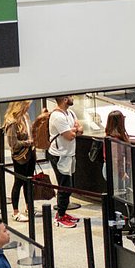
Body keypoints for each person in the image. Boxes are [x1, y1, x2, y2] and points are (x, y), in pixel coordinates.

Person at [46, 95, 83, 227]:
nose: (73, 98)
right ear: (65, 99)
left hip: (69, 154)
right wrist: (73, 130)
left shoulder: (70, 113)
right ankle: (60, 216)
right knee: (64, 186)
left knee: (69, 186)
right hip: (59, 155)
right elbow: (70, 136)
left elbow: (80, 129)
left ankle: (63, 212)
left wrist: (73, 130)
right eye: (70, 96)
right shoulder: (57, 116)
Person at [3, 101, 36, 223]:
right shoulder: (12, 122)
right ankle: (15, 212)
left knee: (29, 181)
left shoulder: (25, 116)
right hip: (20, 156)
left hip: (30, 153)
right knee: (19, 182)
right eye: (26, 105)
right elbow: (13, 144)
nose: (28, 107)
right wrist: (28, 142)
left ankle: (29, 207)